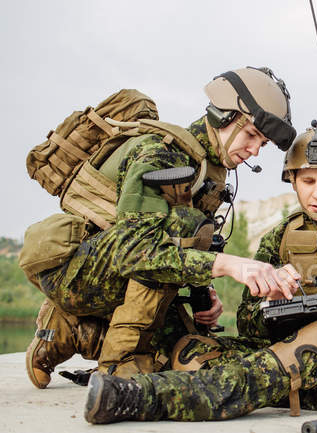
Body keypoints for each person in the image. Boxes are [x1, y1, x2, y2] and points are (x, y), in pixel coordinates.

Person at [81, 121, 317, 424]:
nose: (316, 194)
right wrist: (268, 301)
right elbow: (247, 324)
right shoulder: (280, 236)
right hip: (289, 350)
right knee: (191, 350)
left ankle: (145, 398)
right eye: (307, 181)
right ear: (293, 181)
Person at [26, 66, 301, 388]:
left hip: (118, 271)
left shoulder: (208, 168)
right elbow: (136, 252)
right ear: (224, 116)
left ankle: (67, 331)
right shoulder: (161, 154)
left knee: (183, 353)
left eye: (263, 143)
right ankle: (119, 365)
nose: (254, 150)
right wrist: (229, 266)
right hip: (73, 272)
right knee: (181, 227)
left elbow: (190, 247)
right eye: (251, 135)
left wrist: (204, 293)